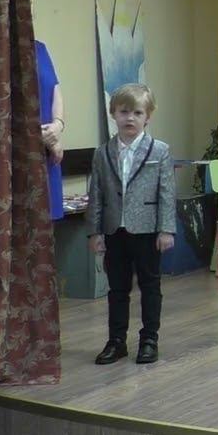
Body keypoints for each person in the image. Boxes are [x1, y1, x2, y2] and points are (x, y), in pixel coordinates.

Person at [87, 84, 175, 365]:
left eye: (137, 112)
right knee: (117, 288)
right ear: (113, 113)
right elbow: (96, 194)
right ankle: (116, 341)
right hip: (115, 230)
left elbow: (166, 192)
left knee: (150, 285)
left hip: (147, 229)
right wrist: (95, 231)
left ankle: (149, 339)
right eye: (124, 112)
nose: (130, 118)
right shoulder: (102, 153)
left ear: (148, 116)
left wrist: (166, 229)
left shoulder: (159, 150)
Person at [35, 40, 65, 220]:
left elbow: (54, 89)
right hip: (18, 152)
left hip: (48, 153)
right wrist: (38, 135)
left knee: (47, 224)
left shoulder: (39, 48)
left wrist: (57, 125)